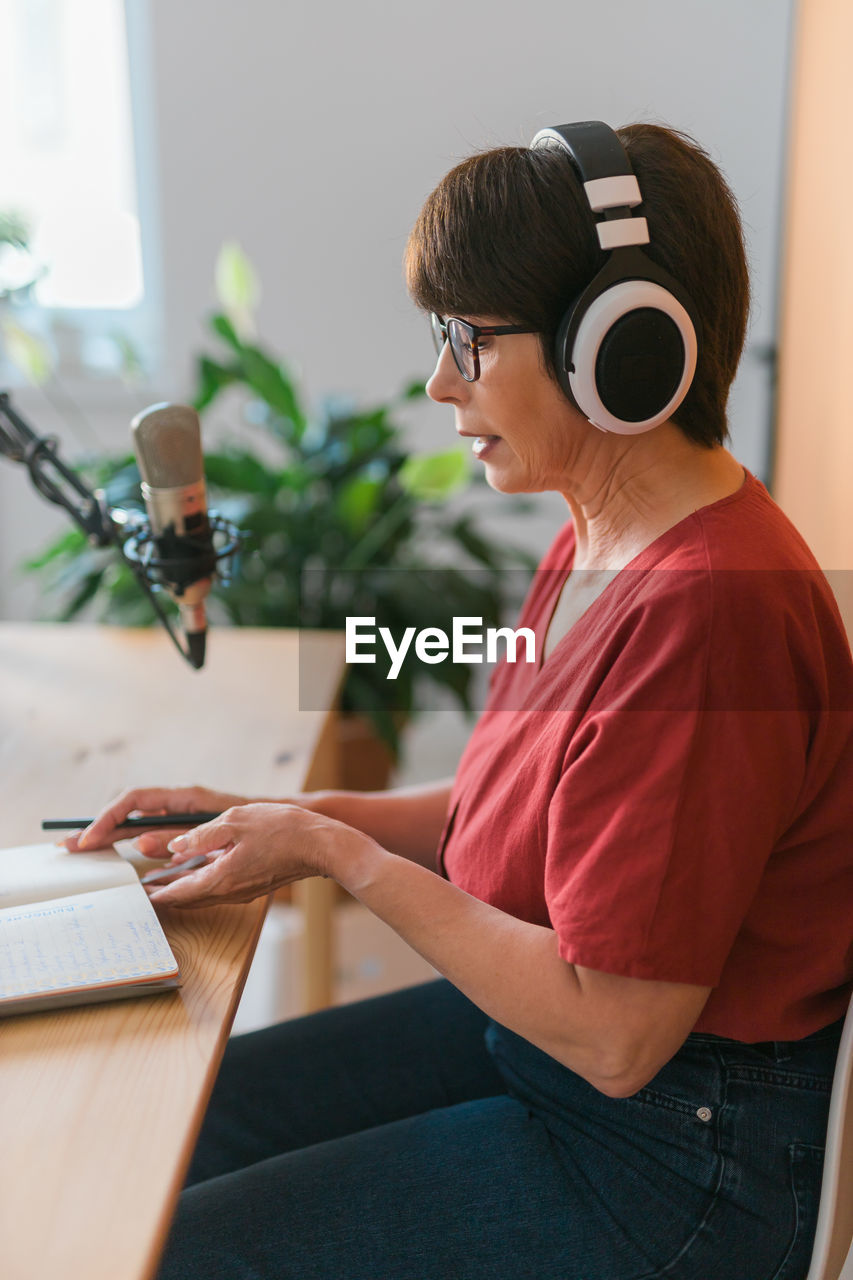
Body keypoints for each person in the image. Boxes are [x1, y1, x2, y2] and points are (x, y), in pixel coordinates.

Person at [69, 121, 853, 1280]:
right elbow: (518, 801)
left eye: (471, 340)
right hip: (554, 1050)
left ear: (621, 347)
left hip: (671, 1155)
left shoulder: (709, 614)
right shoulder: (603, 530)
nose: (439, 380)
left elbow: (614, 1031)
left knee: (174, 1252)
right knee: (172, 1126)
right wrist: (272, 820)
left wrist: (340, 852)